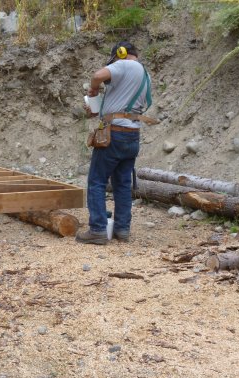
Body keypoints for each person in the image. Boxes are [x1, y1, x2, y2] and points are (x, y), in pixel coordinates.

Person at [76, 41, 154, 245]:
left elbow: (97, 76)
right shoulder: (145, 75)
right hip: (132, 134)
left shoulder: (125, 64)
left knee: (96, 181)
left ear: (120, 54)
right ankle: (122, 229)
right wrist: (99, 107)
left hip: (115, 133)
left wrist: (93, 91)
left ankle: (99, 229)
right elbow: (124, 101)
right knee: (122, 184)